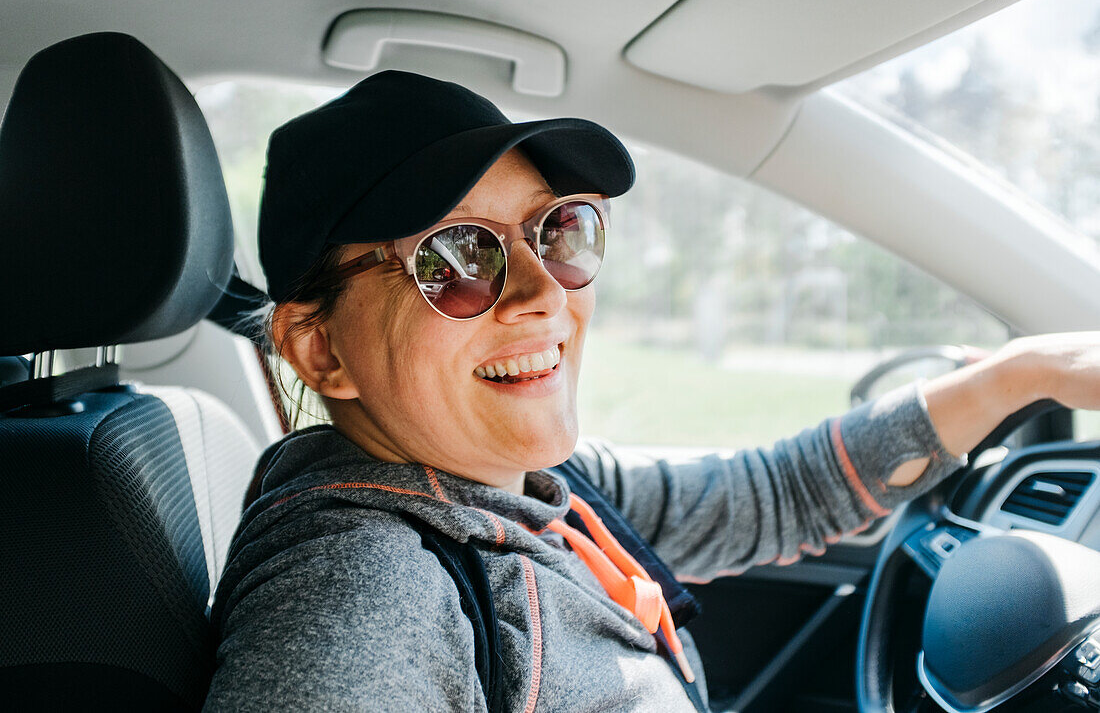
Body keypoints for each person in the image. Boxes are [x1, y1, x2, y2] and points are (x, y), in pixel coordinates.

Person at [203, 70, 1100, 712]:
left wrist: (1027, 373)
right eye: (458, 257)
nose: (543, 290)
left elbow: (775, 493)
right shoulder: (361, 594)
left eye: (556, 232)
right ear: (321, 351)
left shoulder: (531, 488)